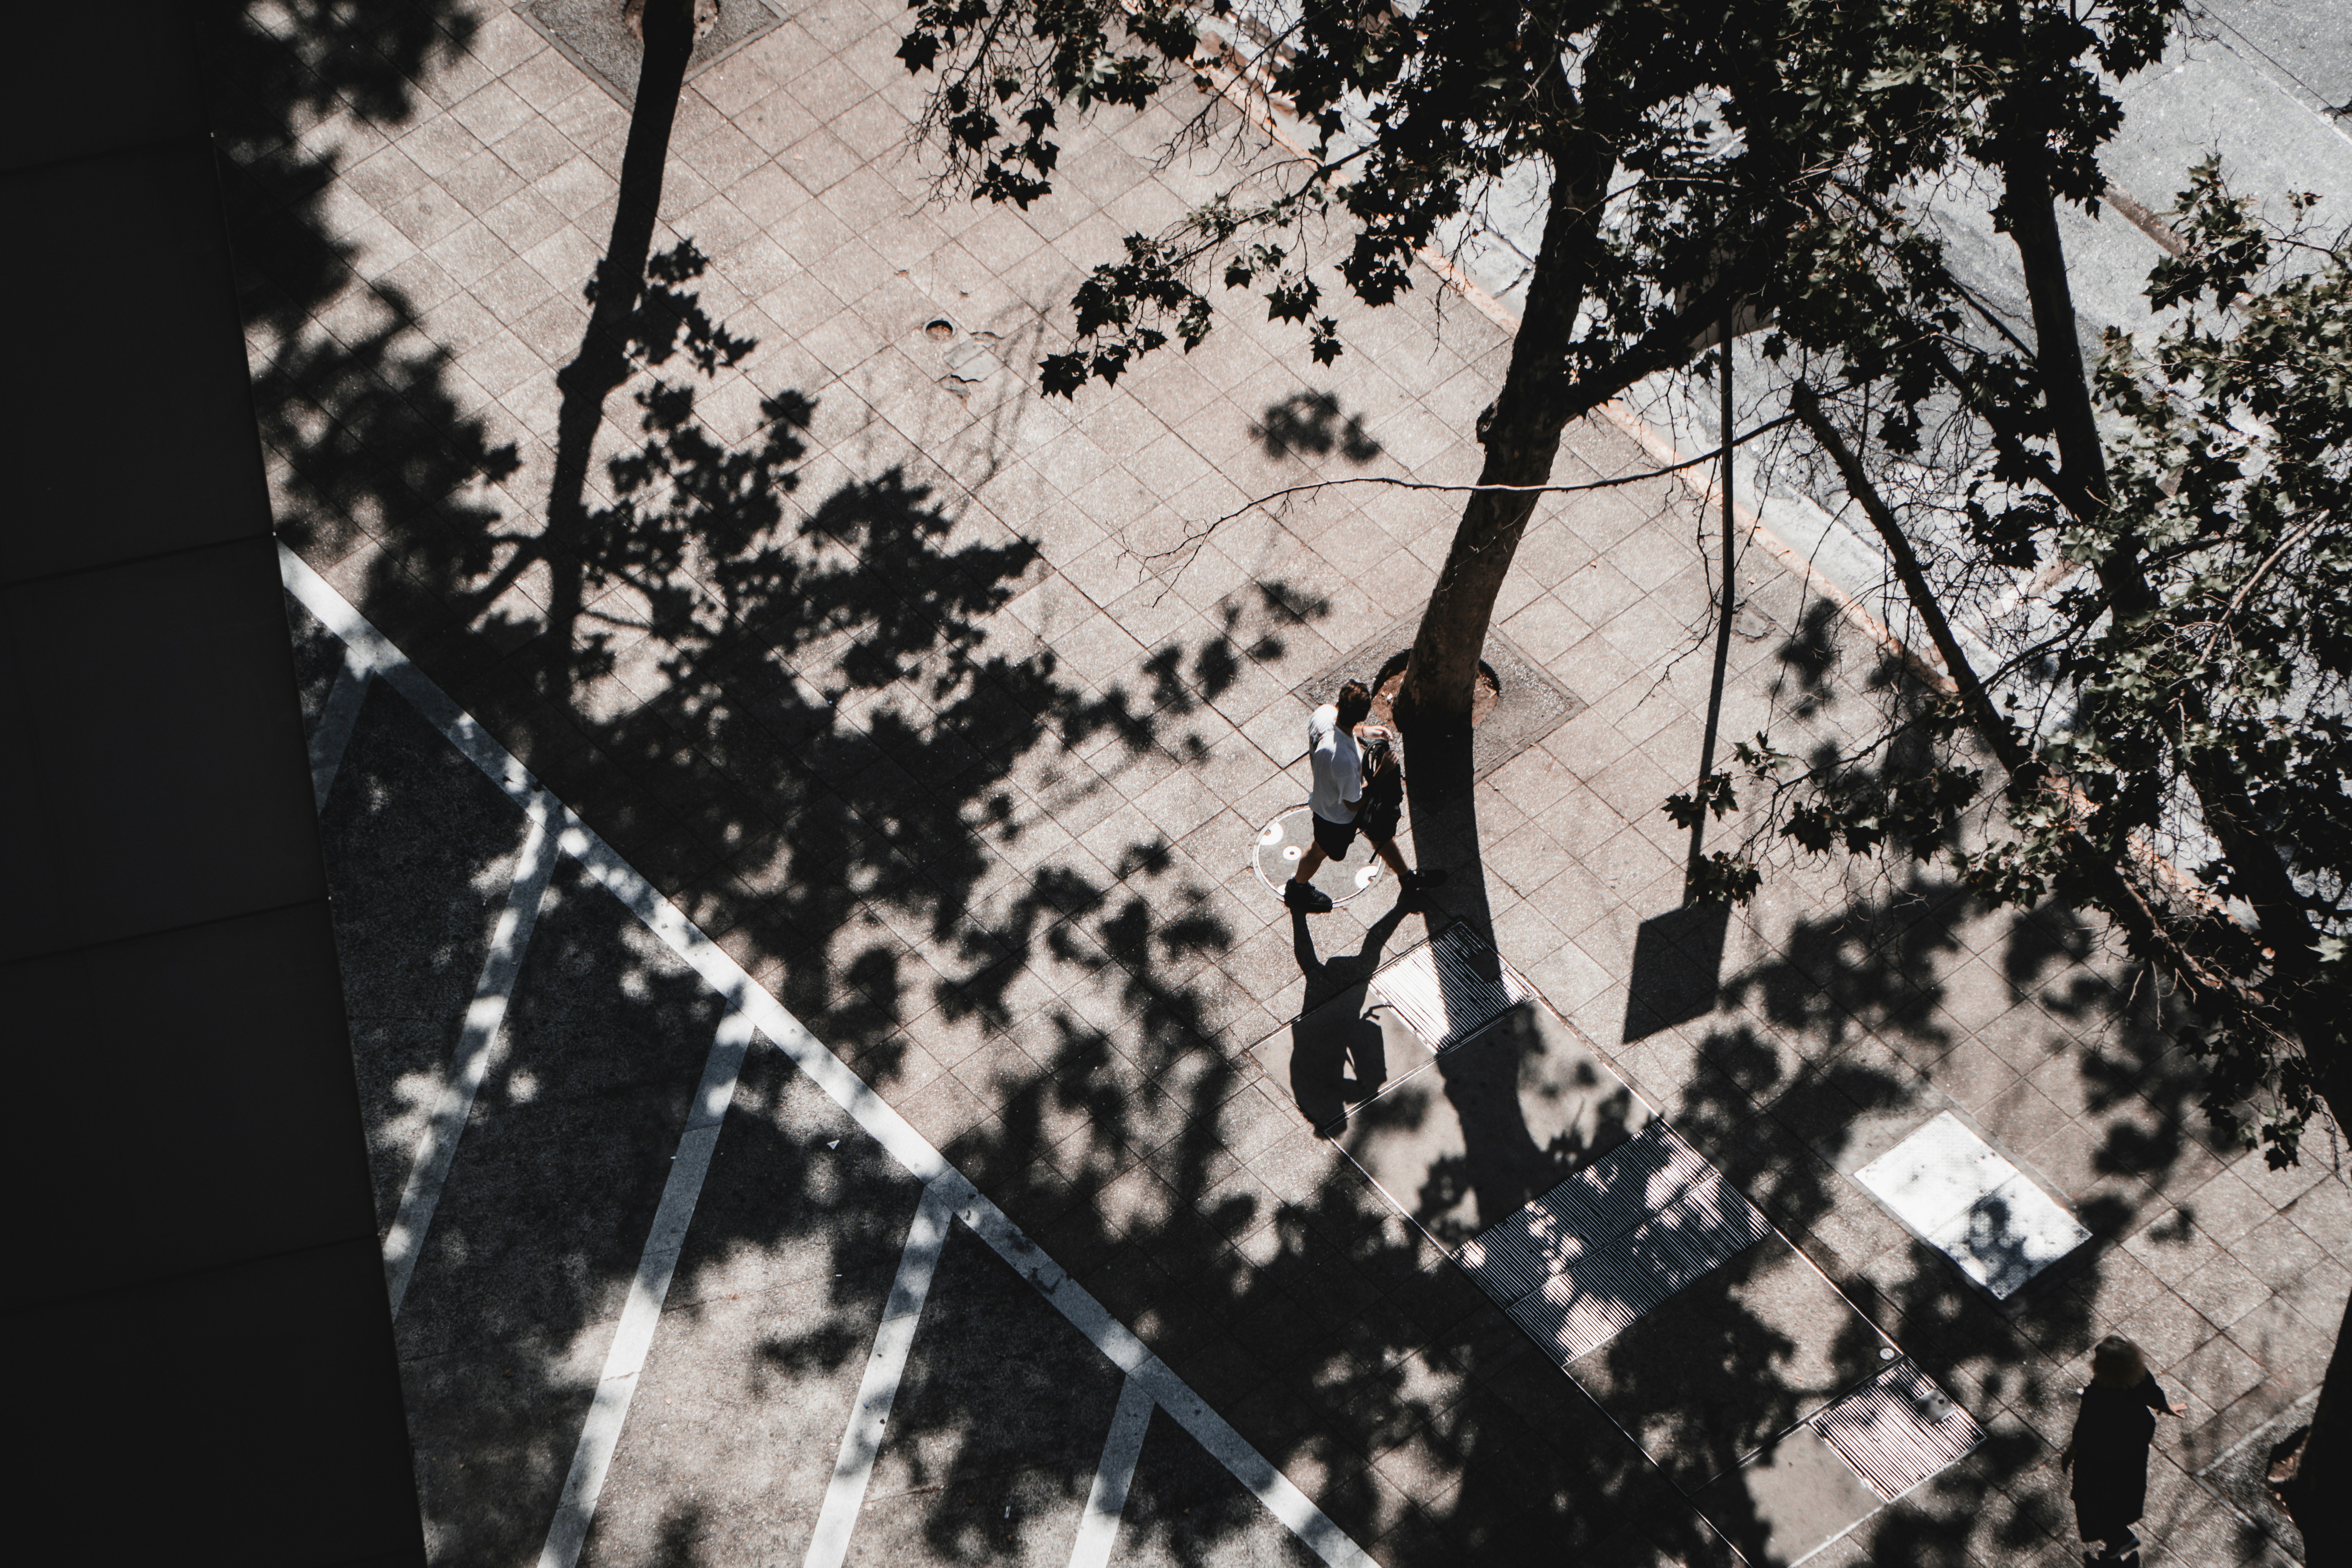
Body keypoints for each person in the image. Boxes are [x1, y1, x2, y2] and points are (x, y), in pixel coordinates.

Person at [1285, 681, 1437, 912]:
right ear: (1361, 715)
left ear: (1339, 705)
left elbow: (1338, 729)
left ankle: (1407, 877)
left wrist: (1365, 731)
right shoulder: (1345, 760)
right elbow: (1353, 803)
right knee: (1319, 851)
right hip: (1335, 815)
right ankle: (1296, 889)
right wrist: (1383, 771)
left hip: (1332, 794)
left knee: (1379, 834)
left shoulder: (1324, 713)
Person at [2059, 1334, 2186, 1566]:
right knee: (2120, 1492)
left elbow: (2084, 1432)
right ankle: (2116, 1542)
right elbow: (2153, 1394)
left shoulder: (2097, 1396)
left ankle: (2119, 1539)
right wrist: (2165, 1406)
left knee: (2089, 1496)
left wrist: (2069, 1454)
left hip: (2102, 1454)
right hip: (2132, 1446)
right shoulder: (2138, 1377)